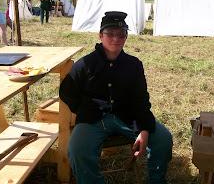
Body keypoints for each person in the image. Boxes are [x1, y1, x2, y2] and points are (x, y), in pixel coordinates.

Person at [59, 11, 173, 184]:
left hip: (128, 118)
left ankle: (157, 181)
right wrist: (84, 111)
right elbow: (67, 92)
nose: (115, 39)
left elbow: (141, 100)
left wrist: (143, 129)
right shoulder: (85, 63)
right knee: (77, 151)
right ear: (100, 35)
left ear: (126, 37)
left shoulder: (134, 65)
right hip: (92, 120)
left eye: (121, 35)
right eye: (110, 34)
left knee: (163, 139)